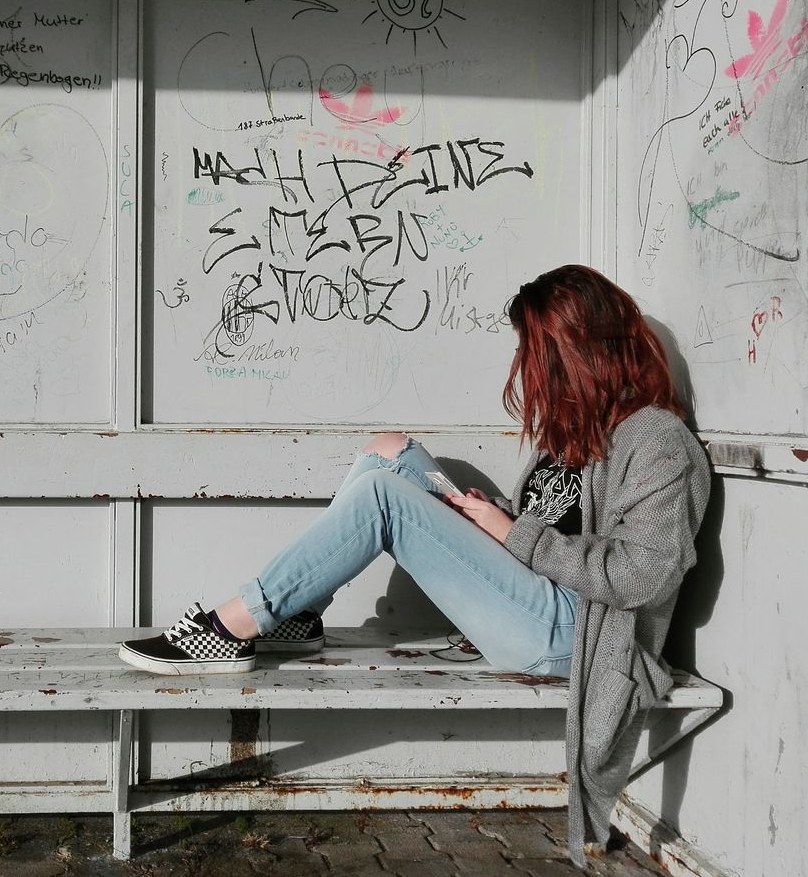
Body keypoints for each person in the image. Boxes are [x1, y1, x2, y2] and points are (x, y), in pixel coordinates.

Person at [119, 264, 711, 867]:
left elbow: (646, 575)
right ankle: (299, 614)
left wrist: (514, 532)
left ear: (582, 353)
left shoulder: (659, 442)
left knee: (382, 497)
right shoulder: (581, 432)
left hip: (572, 632)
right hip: (534, 592)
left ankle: (234, 626)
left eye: (539, 357)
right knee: (389, 452)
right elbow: (545, 524)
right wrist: (494, 515)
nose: (530, 374)